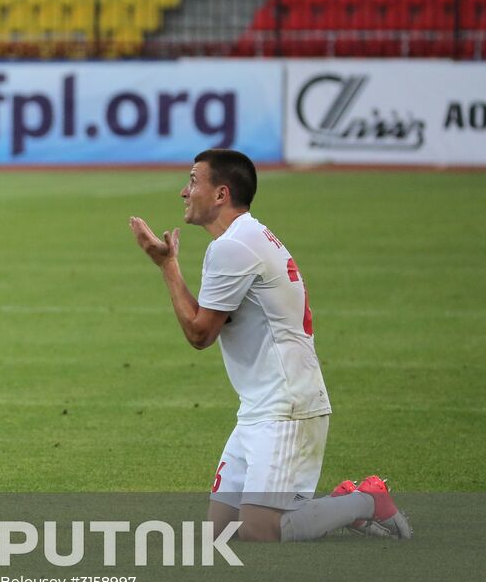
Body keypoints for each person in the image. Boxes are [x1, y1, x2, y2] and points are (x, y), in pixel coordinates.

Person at [129, 148, 411, 542]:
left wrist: (167, 267)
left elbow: (200, 335)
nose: (184, 191)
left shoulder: (232, 248)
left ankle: (366, 501)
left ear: (221, 194)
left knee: (260, 531)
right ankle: (342, 500)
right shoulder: (246, 236)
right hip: (261, 405)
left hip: (286, 408)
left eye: (194, 181)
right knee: (222, 531)